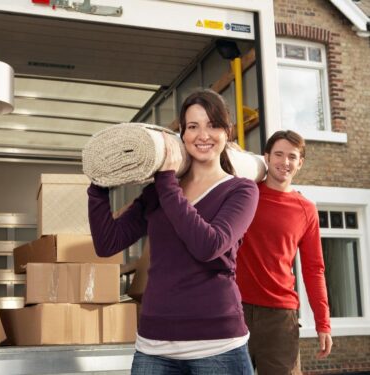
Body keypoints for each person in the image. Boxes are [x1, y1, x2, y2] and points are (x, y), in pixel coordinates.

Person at [87, 89, 259, 375]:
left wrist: (167, 183)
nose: (203, 135)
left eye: (212, 125)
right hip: (154, 346)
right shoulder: (159, 192)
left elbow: (208, 245)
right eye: (193, 126)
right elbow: (108, 243)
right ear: (182, 134)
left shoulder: (241, 190)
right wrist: (99, 185)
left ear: (226, 132)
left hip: (217, 344)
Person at [236, 130, 332, 375]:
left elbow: (314, 269)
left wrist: (323, 323)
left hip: (280, 318)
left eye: (292, 157)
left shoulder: (306, 210)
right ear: (266, 157)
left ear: (300, 163)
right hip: (234, 309)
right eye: (278, 154)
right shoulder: (245, 194)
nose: (285, 162)